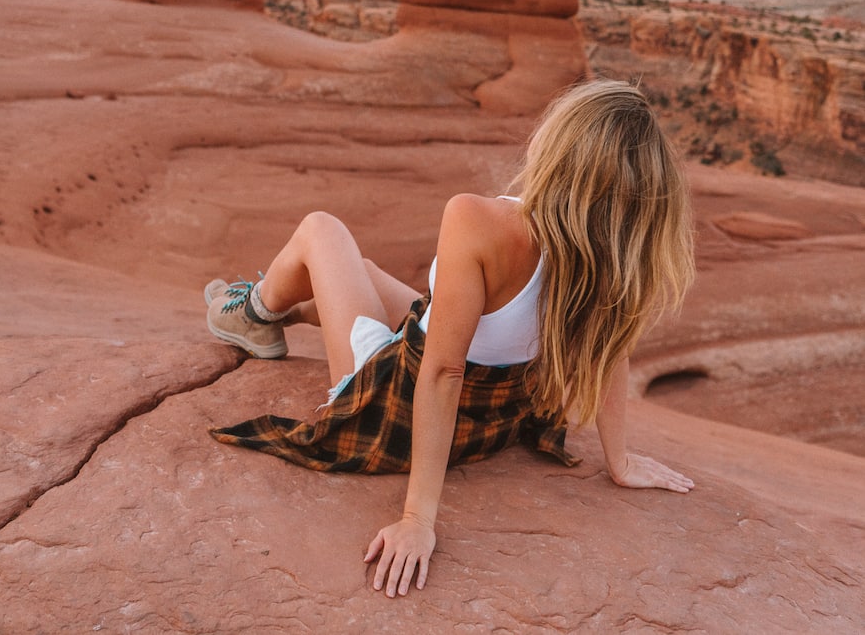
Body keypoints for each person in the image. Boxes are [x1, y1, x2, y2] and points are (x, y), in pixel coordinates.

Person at [204, 78, 696, 598]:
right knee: (363, 271)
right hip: (494, 418)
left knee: (322, 229)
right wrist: (619, 462)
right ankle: (286, 310)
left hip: (393, 408)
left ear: (558, 145)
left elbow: (442, 370)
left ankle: (255, 311)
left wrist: (417, 518)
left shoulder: (480, 219)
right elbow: (611, 352)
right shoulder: (620, 253)